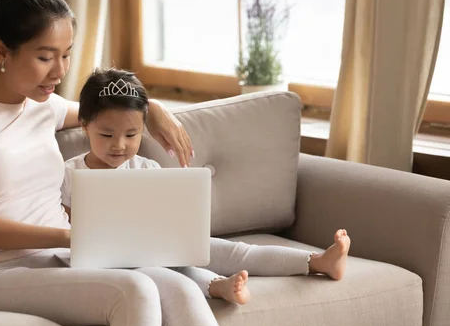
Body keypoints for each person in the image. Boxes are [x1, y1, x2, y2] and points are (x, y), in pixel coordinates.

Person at [0, 0, 236, 326]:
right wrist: (76, 236)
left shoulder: (44, 106)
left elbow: (108, 108)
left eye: (66, 55)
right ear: (3, 51)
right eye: (44, 57)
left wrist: (153, 108)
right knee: (134, 289)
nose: (60, 71)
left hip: (61, 257)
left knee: (180, 287)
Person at [60, 67, 352, 306]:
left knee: (234, 251)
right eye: (107, 134)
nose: (119, 145)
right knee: (168, 270)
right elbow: (66, 231)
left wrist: (175, 234)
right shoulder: (70, 173)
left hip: (155, 246)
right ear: (85, 126)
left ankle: (317, 261)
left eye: (131, 134)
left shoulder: (147, 168)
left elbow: (167, 217)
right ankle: (217, 287)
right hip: (109, 262)